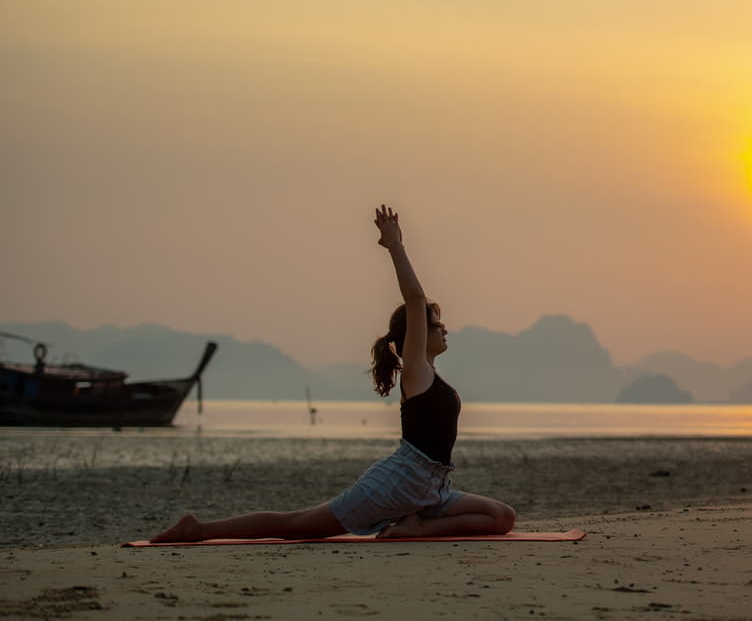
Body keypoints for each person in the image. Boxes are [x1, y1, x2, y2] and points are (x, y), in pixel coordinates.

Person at [150, 205, 516, 542]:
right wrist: (395, 246)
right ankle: (197, 529)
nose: (444, 329)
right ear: (418, 336)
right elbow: (415, 300)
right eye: (438, 324)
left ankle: (416, 526)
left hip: (433, 486)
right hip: (400, 482)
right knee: (296, 527)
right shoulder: (416, 370)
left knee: (502, 517)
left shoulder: (432, 376)